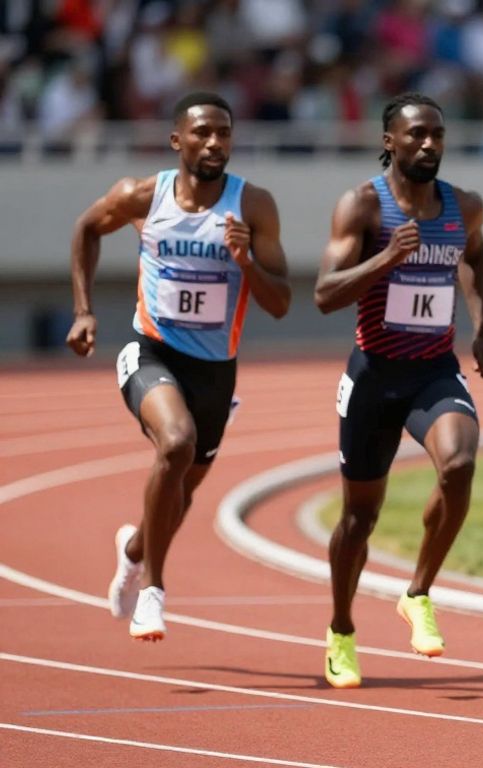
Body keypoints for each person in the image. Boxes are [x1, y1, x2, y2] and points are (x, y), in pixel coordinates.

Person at [67, 91, 292, 642]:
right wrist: (83, 310)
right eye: (203, 132)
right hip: (152, 350)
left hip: (215, 371)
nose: (215, 142)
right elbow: (87, 230)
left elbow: (282, 302)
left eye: (224, 133)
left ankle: (134, 550)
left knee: (181, 492)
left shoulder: (253, 206)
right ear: (177, 141)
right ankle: (154, 592)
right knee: (175, 443)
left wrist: (245, 262)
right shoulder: (143, 195)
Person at [314, 92, 483, 689]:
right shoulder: (363, 205)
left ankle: (417, 592)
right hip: (373, 375)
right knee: (359, 520)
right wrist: (384, 260)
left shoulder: (463, 206)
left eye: (437, 135)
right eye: (416, 135)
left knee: (462, 464)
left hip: (432, 370)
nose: (429, 145)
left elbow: (474, 255)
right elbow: (324, 293)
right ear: (389, 140)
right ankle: (341, 630)